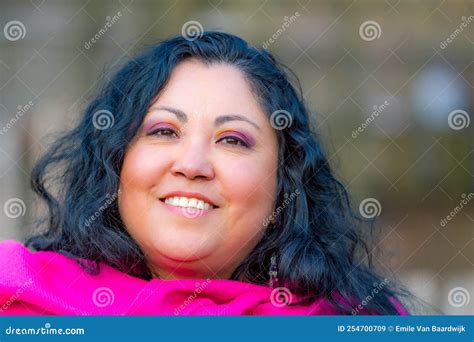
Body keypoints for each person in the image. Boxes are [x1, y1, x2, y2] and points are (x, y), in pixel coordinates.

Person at [0, 31, 408, 315]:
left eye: (232, 140)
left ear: (284, 179)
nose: (192, 164)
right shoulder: (18, 300)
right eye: (163, 131)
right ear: (116, 160)